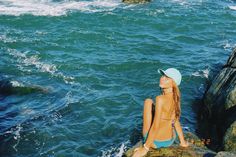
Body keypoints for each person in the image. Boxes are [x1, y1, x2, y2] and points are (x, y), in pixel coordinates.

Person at [132, 68, 189, 157]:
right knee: (168, 118)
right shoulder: (176, 98)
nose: (162, 78)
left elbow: (155, 125)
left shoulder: (160, 99)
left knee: (148, 102)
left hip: (155, 142)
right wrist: (183, 142)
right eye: (163, 76)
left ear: (173, 83)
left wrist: (145, 148)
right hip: (169, 140)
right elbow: (176, 121)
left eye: (167, 78)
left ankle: (147, 143)